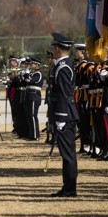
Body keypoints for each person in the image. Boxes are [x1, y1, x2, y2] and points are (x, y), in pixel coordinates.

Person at [48, 32, 79, 198]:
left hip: (65, 116)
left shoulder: (64, 67)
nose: (52, 49)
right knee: (66, 153)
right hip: (64, 115)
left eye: (54, 47)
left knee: (68, 154)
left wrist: (60, 117)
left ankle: (70, 188)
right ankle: (67, 186)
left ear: (59, 49)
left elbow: (63, 94)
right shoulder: (62, 65)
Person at [23, 57, 44, 141]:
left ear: (37, 65)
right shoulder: (32, 74)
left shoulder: (38, 74)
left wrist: (27, 74)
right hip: (29, 96)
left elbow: (29, 81)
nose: (31, 65)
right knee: (29, 116)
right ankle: (31, 134)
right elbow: (25, 81)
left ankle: (36, 135)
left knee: (32, 116)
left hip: (34, 96)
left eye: (32, 64)